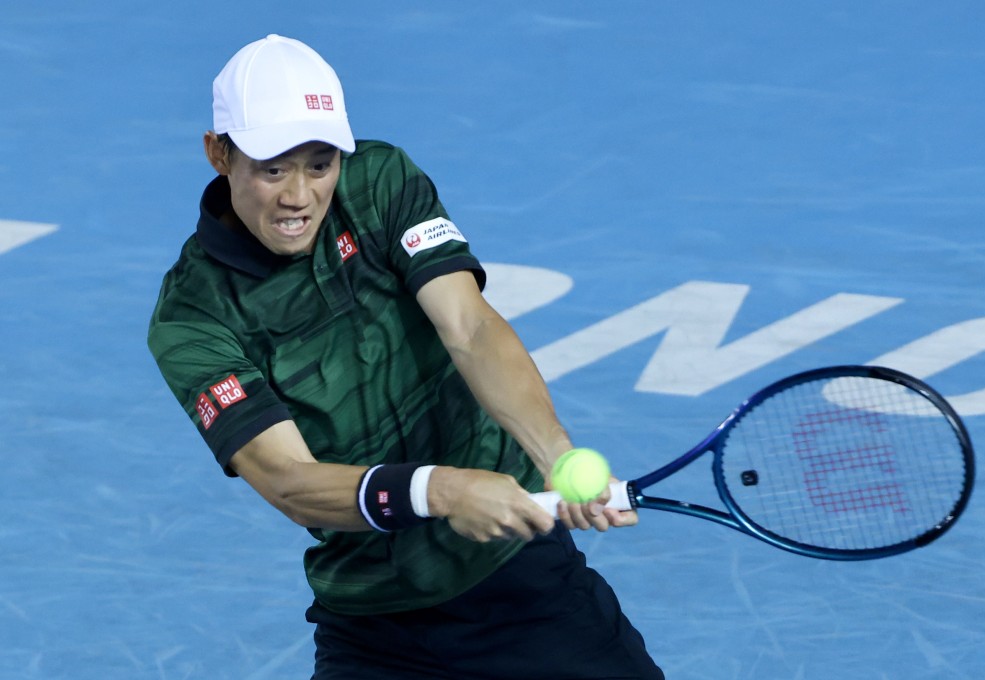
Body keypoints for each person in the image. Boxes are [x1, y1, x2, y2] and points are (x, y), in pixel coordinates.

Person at [148, 34, 663, 679]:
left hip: (522, 586)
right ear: (218, 153)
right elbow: (288, 480)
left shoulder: (381, 182)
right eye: (272, 168)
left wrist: (555, 455)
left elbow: (470, 327)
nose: (299, 196)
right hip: (374, 623)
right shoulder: (194, 316)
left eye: (319, 163)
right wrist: (440, 489)